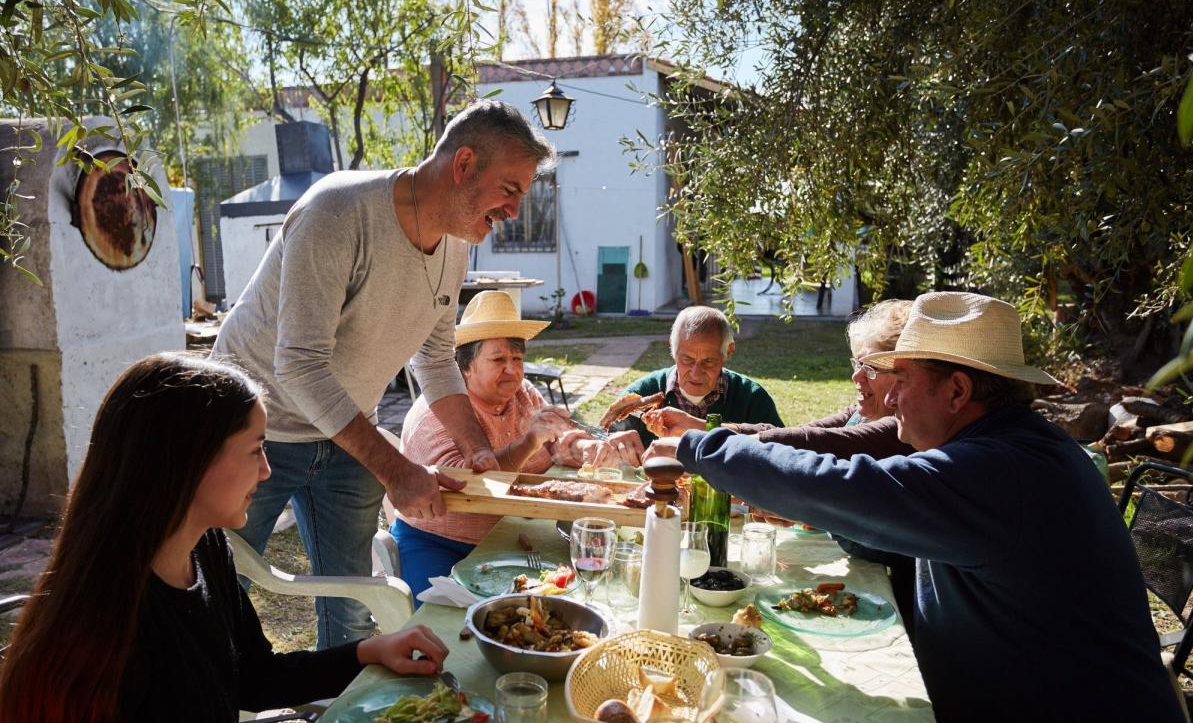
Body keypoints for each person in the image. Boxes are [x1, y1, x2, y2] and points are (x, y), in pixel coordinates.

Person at [674, 292, 1193, 723]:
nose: (891, 397)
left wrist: (698, 447)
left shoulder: (999, 472)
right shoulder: (1010, 449)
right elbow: (859, 497)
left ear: (957, 391)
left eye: (900, 380)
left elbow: (851, 489)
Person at [212, 100, 555, 648]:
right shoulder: (338, 213)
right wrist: (398, 469)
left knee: (353, 603)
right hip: (253, 433)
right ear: (463, 163)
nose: (514, 211)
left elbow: (437, 357)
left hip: (347, 432)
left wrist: (477, 449)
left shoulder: (455, 247)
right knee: (214, 593)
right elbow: (297, 363)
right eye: (509, 189)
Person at [0, 353, 451, 723]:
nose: (267, 470)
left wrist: (369, 650)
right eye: (256, 449)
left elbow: (255, 677)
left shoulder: (206, 549)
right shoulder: (105, 626)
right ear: (188, 462)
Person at [643, 299, 919, 629]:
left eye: (871, 369)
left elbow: (820, 448)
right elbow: (800, 434)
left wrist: (700, 443)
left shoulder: (904, 429)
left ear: (907, 377)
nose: (856, 377)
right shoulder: (863, 410)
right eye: (855, 363)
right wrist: (702, 428)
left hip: (900, 599)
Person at [388, 291, 625, 597]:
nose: (512, 370)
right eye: (499, 359)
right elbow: (468, 483)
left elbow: (555, 443)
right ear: (466, 365)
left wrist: (584, 449)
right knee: (443, 622)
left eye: (517, 359)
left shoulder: (524, 393)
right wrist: (528, 441)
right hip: (437, 542)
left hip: (509, 535)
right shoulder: (435, 412)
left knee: (569, 599)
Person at [608, 305, 783, 447]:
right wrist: (613, 444)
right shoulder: (642, 394)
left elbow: (782, 452)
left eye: (708, 361)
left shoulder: (752, 399)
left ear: (728, 353)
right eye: (687, 359)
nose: (695, 373)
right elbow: (603, 442)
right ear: (672, 348)